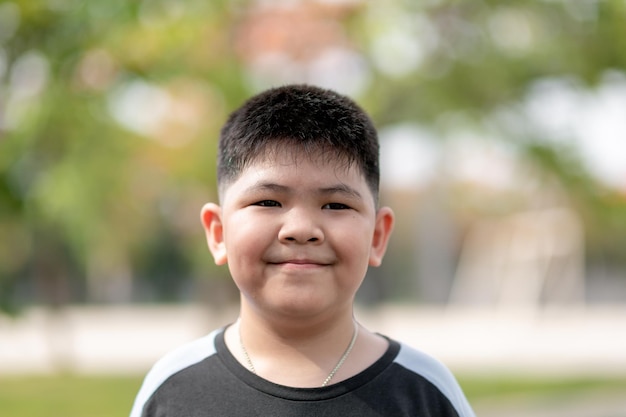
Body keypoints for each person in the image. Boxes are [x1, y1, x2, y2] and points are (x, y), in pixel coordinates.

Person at [129, 84, 475, 417]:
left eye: (336, 205)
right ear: (218, 232)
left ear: (377, 236)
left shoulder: (425, 393)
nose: (301, 230)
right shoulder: (172, 389)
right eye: (268, 201)